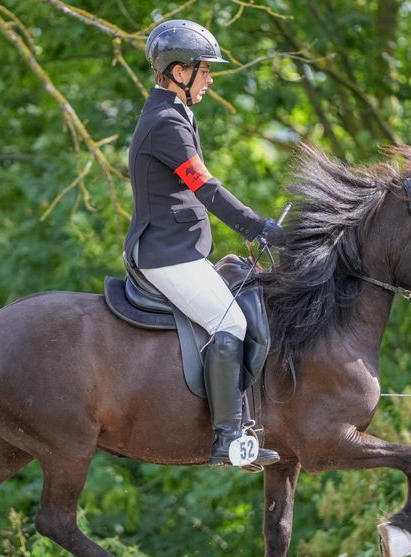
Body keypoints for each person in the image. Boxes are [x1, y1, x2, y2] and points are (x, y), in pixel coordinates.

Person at [124, 19, 285, 468]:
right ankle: (227, 439)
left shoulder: (175, 115)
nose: (211, 79)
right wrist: (260, 228)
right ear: (179, 72)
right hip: (165, 254)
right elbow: (206, 188)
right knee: (230, 324)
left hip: (181, 249)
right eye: (205, 70)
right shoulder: (164, 124)